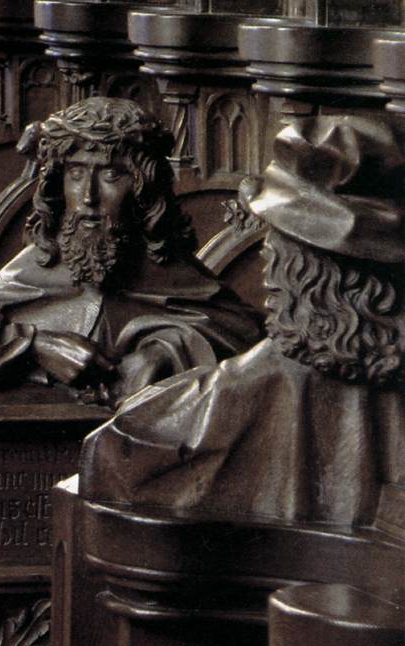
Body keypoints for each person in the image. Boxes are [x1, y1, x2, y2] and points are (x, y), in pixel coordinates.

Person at [81, 115, 404, 529]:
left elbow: (112, 454)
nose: (266, 255)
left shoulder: (202, 414)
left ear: (297, 264)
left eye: (272, 237)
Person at [0, 96, 261, 400]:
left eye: (110, 175)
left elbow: (252, 345)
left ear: (143, 189)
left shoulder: (171, 275)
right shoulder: (38, 268)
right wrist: (32, 348)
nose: (87, 197)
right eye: (75, 174)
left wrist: (166, 350)